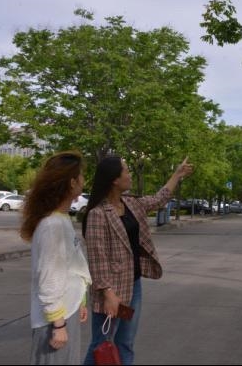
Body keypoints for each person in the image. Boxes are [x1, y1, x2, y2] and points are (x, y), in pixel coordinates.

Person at [82, 156, 193, 365]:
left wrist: (177, 174)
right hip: (111, 291)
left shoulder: (131, 204)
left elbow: (159, 199)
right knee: (101, 345)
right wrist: (108, 293)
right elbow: (97, 258)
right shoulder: (98, 214)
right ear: (115, 179)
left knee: (125, 343)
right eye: (126, 170)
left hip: (133, 286)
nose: (130, 174)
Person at [20, 151, 91, 365]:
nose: (84, 180)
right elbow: (49, 279)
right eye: (81, 175)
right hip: (55, 320)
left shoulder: (61, 219)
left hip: (66, 311)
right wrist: (58, 324)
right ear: (72, 182)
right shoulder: (52, 225)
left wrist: (80, 301)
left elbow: (71, 267)